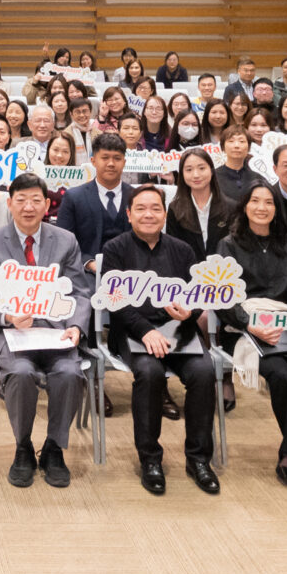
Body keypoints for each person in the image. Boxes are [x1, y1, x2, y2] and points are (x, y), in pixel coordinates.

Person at [0, 173, 90, 488]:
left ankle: (52, 447)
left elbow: (79, 292)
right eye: (20, 200)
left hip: (56, 333)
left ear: (47, 205)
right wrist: (7, 316)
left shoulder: (66, 241)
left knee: (70, 373)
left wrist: (76, 325)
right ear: (9, 204)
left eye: (36, 200)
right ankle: (23, 446)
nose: (28, 207)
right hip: (11, 336)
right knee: (20, 374)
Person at [100, 183, 218, 496]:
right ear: (128, 214)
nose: (148, 214)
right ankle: (150, 458)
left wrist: (188, 313)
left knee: (205, 373)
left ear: (165, 214)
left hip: (178, 332)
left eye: (155, 208)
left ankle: (198, 458)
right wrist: (144, 330)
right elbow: (115, 300)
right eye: (140, 208)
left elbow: (197, 297)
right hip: (133, 332)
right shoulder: (115, 249)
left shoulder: (183, 250)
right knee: (150, 374)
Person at [217, 184, 287, 493]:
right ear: (245, 206)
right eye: (255, 201)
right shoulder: (228, 245)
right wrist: (249, 324)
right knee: (280, 374)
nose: (261, 207)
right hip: (245, 330)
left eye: (268, 202)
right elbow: (221, 297)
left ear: (276, 209)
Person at [51, 132, 131, 255]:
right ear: (93, 161)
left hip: (130, 270)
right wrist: (87, 263)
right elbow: (63, 243)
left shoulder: (136, 197)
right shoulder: (74, 197)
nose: (111, 163)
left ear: (124, 162)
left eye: (117, 158)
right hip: (86, 270)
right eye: (105, 158)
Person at [165, 148, 232, 258]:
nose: (196, 175)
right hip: (187, 272)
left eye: (201, 168)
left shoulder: (230, 207)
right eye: (189, 170)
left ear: (211, 170)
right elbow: (173, 249)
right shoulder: (175, 208)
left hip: (223, 272)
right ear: (182, 174)